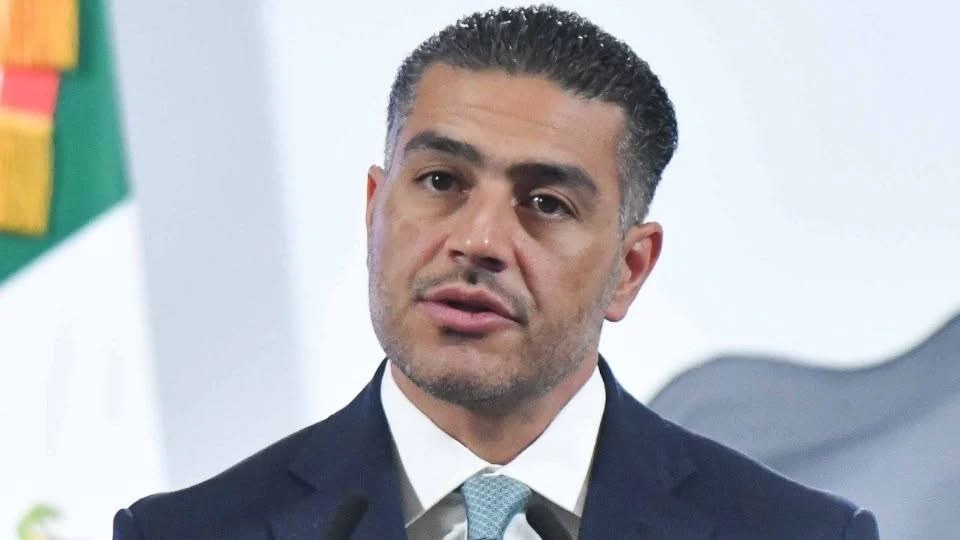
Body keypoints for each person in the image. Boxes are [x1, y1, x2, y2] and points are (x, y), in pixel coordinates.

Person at [114, 6, 879, 539]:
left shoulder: (802, 535)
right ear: (375, 209)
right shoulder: (183, 534)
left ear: (629, 268)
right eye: (441, 181)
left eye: (545, 203)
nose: (478, 241)